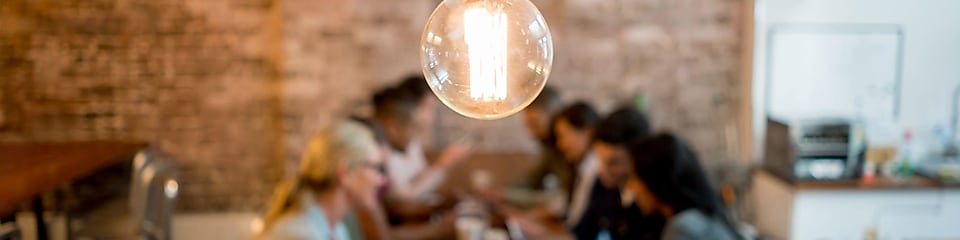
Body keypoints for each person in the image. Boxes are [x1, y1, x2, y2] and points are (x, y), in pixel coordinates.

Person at [260, 121, 384, 240]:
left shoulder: (336, 228)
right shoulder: (302, 234)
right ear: (345, 173)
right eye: (376, 168)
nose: (381, 180)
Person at [372, 84, 469, 224]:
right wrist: (442, 164)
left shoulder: (407, 143)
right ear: (392, 126)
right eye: (427, 108)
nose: (428, 118)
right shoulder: (379, 154)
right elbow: (400, 203)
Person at [571, 106, 663, 240]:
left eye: (613, 163)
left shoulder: (653, 201)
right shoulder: (602, 187)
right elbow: (583, 233)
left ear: (638, 158)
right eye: (599, 159)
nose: (602, 170)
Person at [626, 134, 742, 240]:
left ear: (655, 181)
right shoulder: (705, 217)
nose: (631, 186)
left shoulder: (683, 227)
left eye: (635, 178)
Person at [495, 86, 567, 209]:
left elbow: (559, 201)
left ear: (555, 117)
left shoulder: (569, 151)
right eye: (528, 125)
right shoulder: (549, 148)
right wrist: (500, 191)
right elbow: (532, 178)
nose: (531, 133)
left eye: (535, 124)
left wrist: (506, 195)